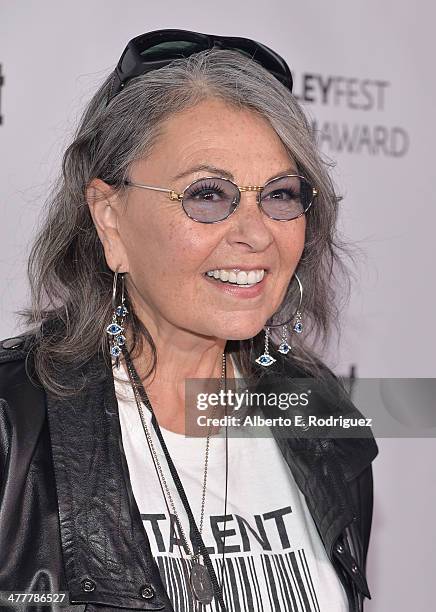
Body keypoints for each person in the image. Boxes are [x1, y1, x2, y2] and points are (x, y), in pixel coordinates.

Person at [0, 29, 378, 612]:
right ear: (110, 219)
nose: (256, 234)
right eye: (207, 194)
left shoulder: (321, 415)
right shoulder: (12, 426)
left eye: (279, 195)